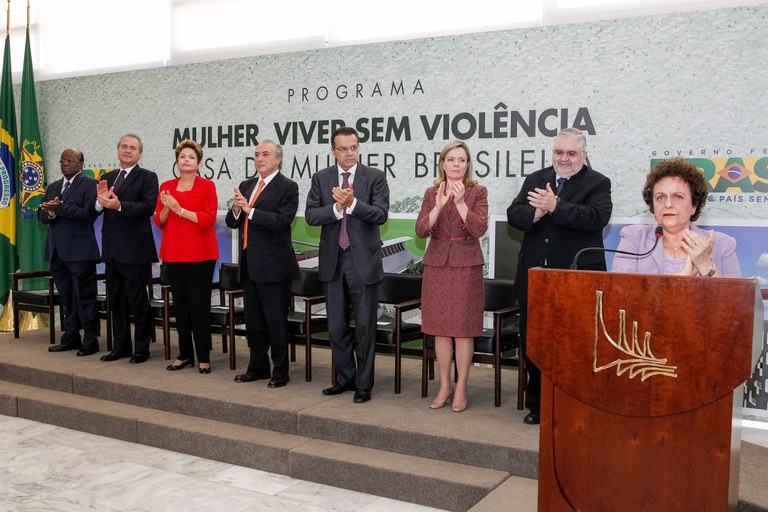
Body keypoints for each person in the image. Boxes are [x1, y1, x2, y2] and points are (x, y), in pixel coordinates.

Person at [507, 127, 612, 425]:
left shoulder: (598, 183)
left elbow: (596, 217)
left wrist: (556, 206)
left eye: (571, 153)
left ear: (584, 154)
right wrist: (535, 215)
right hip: (535, 279)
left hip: (576, 281)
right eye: (558, 152)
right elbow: (514, 213)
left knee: (576, 346)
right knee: (535, 344)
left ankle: (574, 404)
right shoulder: (537, 178)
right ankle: (538, 406)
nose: (563, 158)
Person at [305, 126, 390, 404]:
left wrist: (352, 204)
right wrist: (335, 209)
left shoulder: (374, 177)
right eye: (343, 148)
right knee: (336, 326)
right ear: (333, 151)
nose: (349, 153)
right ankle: (345, 378)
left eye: (353, 147)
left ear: (358, 148)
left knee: (365, 326)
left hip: (362, 263)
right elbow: (311, 216)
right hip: (333, 262)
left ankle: (364, 385)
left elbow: (380, 214)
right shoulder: (321, 178)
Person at [415, 141, 488, 413]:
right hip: (437, 265)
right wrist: (438, 205)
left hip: (466, 265)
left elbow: (479, 228)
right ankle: (444, 385)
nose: (457, 164)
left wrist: (459, 203)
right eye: (451, 159)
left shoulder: (477, 191)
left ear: (468, 164)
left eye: (462, 160)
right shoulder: (431, 191)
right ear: (442, 163)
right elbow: (421, 230)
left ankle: (461, 387)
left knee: (462, 329)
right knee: (441, 329)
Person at [225, 140, 299, 387]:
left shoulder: (288, 187)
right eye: (256, 154)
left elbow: (282, 221)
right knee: (254, 322)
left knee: (275, 322)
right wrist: (237, 209)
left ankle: (280, 371)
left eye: (265, 154)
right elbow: (233, 222)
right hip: (249, 265)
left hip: (274, 266)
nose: (259, 159)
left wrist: (251, 210)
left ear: (278, 159)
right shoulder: (247, 185)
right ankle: (257, 367)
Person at [612, 158, 740, 277]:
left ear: (694, 205)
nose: (667, 204)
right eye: (660, 197)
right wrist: (682, 275)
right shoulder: (634, 238)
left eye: (678, 196)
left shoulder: (722, 244)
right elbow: (622, 290)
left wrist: (705, 265)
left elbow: (736, 299)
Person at [154, 139, 219, 374]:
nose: (186, 160)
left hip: (200, 254)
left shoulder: (206, 186)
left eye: (191, 157)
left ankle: (203, 356)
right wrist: (167, 207)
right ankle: (184, 354)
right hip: (174, 253)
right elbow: (159, 221)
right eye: (182, 157)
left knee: (199, 305)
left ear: (198, 162)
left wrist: (179, 209)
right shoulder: (167, 186)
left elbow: (207, 219)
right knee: (180, 305)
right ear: (177, 161)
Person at [97, 134, 159, 364]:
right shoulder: (108, 177)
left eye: (133, 148)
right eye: (124, 146)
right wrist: (99, 201)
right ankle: (120, 347)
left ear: (140, 153)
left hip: (135, 250)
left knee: (137, 301)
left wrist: (119, 205)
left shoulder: (148, 177)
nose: (128, 151)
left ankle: (141, 349)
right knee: (117, 301)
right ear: (118, 150)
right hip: (112, 249)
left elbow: (149, 207)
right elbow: (97, 209)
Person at [38, 149, 101, 356]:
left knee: (85, 298)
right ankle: (71, 337)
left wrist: (60, 208)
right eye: (62, 160)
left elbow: (87, 213)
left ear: (81, 163)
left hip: (80, 252)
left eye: (70, 160)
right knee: (66, 297)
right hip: (57, 251)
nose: (65, 164)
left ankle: (91, 340)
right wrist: (49, 212)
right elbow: (42, 214)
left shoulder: (89, 185)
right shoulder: (54, 186)